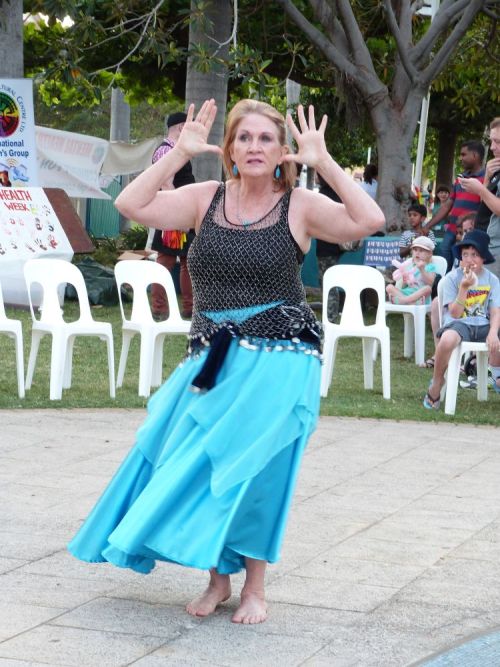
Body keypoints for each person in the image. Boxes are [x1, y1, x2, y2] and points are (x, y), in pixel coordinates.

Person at [68, 99, 385, 624]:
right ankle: (217, 580)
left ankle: (255, 587)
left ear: (282, 151)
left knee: (257, 470)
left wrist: (323, 161)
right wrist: (178, 155)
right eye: (245, 138)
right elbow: (130, 203)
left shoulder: (299, 204)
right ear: (230, 148)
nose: (255, 148)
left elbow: (368, 219)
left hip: (281, 357)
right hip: (213, 355)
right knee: (195, 464)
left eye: (266, 139)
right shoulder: (204, 197)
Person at [423, 229, 500, 409]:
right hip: (460, 324)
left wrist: (493, 333)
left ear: (483, 258)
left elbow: (495, 311)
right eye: (465, 254)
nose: (469, 259)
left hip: (483, 324)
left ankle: (496, 375)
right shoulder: (453, 278)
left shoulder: (492, 280)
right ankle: (437, 381)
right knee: (447, 340)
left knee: (496, 334)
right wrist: (464, 288)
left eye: (475, 255)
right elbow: (455, 314)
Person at [150, 112, 195, 320]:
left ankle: (190, 308)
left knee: (188, 261)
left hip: (183, 214)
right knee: (165, 261)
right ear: (180, 127)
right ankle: (159, 309)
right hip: (172, 215)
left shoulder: (179, 151)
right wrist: (177, 217)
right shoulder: (165, 151)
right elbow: (166, 184)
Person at [422, 213, 476, 369]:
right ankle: (440, 352)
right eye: (463, 231)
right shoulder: (461, 253)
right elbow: (452, 279)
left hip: (476, 302)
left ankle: (470, 357)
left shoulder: (481, 254)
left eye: (470, 230)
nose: (466, 235)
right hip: (458, 298)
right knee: (436, 303)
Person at [426, 141, 486, 272]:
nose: (461, 158)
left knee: (465, 262)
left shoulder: (486, 178)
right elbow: (447, 205)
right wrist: (427, 226)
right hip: (453, 228)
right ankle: (446, 283)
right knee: (444, 252)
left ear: (475, 155)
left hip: (470, 231)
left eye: (464, 154)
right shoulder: (460, 178)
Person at [458, 118, 500, 280]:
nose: (493, 147)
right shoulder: (495, 167)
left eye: (497, 141)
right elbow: (486, 205)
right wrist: (488, 178)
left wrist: (480, 189)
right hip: (486, 243)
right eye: (491, 141)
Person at [315, 173, 342, 321]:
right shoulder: (337, 193)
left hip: (325, 244)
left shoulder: (323, 194)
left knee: (326, 281)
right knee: (331, 280)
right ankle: (332, 312)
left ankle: (330, 315)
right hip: (335, 243)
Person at [387, 236, 436, 305]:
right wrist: (405, 281)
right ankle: (409, 302)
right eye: (415, 250)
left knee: (428, 289)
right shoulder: (410, 265)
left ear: (429, 254)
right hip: (407, 293)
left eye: (421, 251)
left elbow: (430, 283)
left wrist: (422, 269)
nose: (417, 253)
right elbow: (405, 286)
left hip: (420, 296)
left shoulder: (430, 266)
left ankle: (403, 301)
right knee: (389, 287)